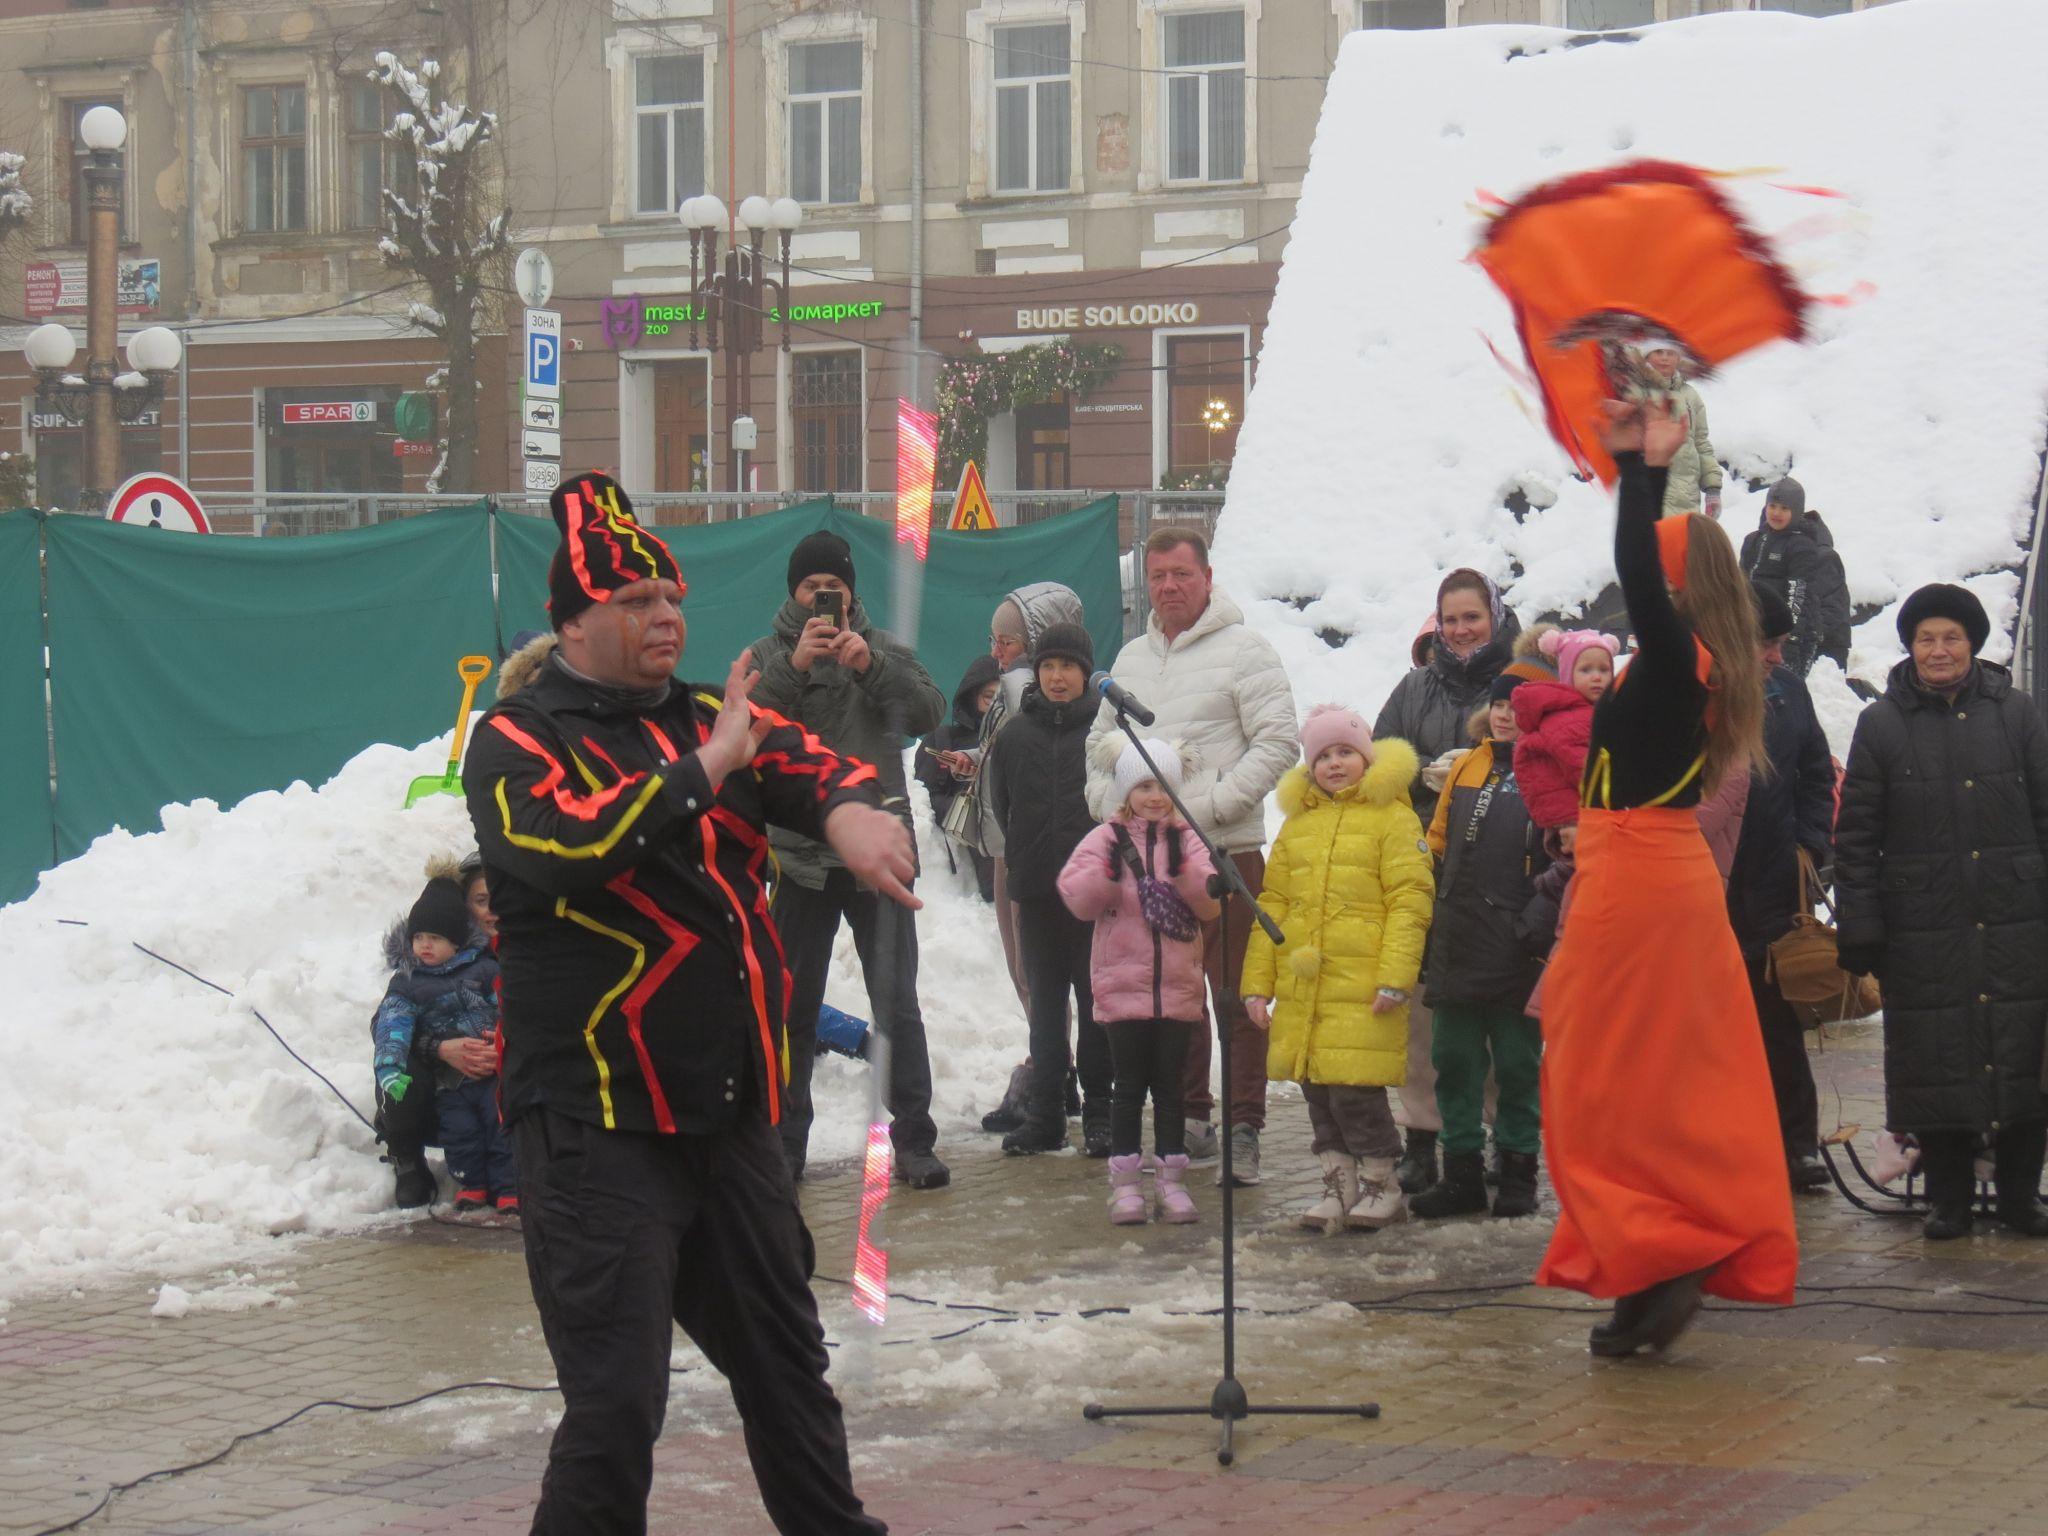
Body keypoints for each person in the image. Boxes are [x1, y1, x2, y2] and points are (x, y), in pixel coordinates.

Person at [467, 473, 903, 1536]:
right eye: (635, 602)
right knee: (618, 1404)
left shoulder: (716, 714)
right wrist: (708, 767)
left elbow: (808, 763)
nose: (666, 618)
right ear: (573, 618)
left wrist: (846, 813)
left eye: (671, 599)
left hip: (728, 1115)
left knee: (787, 1372)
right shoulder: (517, 740)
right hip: (594, 1127)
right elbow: (568, 852)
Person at [1535, 401, 1797, 1359]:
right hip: (1657, 874)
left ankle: (1657, 1253)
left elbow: (1636, 567)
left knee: (1601, 1082)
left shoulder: (1681, 658)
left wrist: (1636, 469)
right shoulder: (1700, 666)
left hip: (1634, 880)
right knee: (1653, 1083)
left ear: (1682, 580)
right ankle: (1652, 1266)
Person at [1835, 583, 2048, 1240]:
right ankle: (1947, 1199)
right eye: (1926, 638)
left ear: (1973, 645)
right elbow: (1857, 836)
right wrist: (1861, 927)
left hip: (2015, 917)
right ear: (1910, 646)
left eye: (1951, 637)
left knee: (2021, 1057)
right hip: (1921, 926)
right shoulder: (1882, 725)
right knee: (1936, 1058)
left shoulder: (2016, 714)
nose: (1939, 649)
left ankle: (2020, 1196)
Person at [1087, 527, 1297, 1184]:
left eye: (1181, 574)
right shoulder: (1128, 661)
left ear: (1207, 577)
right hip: (1153, 866)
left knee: (1235, 995)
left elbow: (1279, 742)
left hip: (1227, 857)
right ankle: (1192, 1118)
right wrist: (1108, 808)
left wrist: (1211, 807)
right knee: (1174, 997)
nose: (1170, 587)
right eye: (1158, 577)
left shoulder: (1246, 652)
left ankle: (1243, 1127)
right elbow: (1098, 747)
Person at [748, 529, 949, 1189]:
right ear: (794, 592)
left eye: (834, 588)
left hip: (879, 854)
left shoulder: (884, 648)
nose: (825, 599)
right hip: (797, 861)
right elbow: (741, 729)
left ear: (853, 591)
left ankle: (915, 1143)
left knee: (897, 1006)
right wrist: (792, 668)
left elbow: (929, 711)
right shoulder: (766, 655)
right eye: (813, 588)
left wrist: (872, 668)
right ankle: (783, 1148)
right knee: (789, 1008)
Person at [1243, 706, 1433, 1233]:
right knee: (1317, 1089)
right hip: (1306, 988)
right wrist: (1257, 984)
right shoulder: (1298, 826)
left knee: (1356, 1089)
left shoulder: (1393, 818)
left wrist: (1395, 976)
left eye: (1345, 752)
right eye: (1323, 755)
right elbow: (1272, 905)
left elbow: (1410, 900)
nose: (1334, 763)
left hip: (1363, 984)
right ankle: (1338, 1181)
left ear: (1367, 758)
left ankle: (1381, 1183)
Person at [1375, 568, 1523, 1195]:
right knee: (1423, 1016)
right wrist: (1420, 790)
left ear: (1493, 616)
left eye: (1472, 617)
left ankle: (1497, 1137)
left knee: (1495, 1009)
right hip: (1427, 870)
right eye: (1451, 619)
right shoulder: (1414, 689)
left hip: (1501, 869)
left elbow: (1550, 759)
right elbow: (1379, 771)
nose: (1461, 630)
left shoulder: (1522, 682)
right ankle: (1422, 1137)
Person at [1058, 737, 1220, 1224]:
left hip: (1176, 986)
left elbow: (1209, 903)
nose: (1155, 795)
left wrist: (1196, 880)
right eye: (1144, 785)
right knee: (1127, 1088)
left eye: (1164, 785)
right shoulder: (1104, 839)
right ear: (1126, 791)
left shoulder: (1186, 839)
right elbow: (1075, 895)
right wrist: (1103, 880)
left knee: (1171, 1087)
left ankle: (1172, 1183)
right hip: (1122, 988)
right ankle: (1125, 1185)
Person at [1414, 678, 1554, 1220]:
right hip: (1459, 934)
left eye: (1515, 707)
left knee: (1518, 1062)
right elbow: (1440, 840)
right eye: (1498, 705)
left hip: (1521, 941)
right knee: (1453, 1059)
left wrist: (1535, 923)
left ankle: (1519, 1170)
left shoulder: (1547, 767)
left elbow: (1563, 852)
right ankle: (1462, 1176)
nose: (1504, 716)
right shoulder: (1468, 766)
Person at [1725, 582, 1838, 1193]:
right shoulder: (1697, 695)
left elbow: (1819, 775)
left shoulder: (1788, 694)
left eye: (1780, 643)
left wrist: (1811, 846)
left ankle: (1796, 1146)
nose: (1775, 654)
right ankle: (1726, 1145)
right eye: (1765, 643)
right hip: (1705, 889)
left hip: (1774, 887)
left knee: (1778, 1026)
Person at [988, 623, 1113, 1156]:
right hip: (1037, 890)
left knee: (1094, 1005)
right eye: (1048, 667)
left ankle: (1102, 1114)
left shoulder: (1104, 735)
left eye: (1068, 667)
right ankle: (1046, 1115)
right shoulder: (1014, 735)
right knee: (1045, 1005)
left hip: (1095, 896)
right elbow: (1002, 804)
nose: (1058, 677)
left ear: (1086, 673)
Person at [968, 582, 1087, 1133]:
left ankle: (1053, 1081)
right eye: (994, 641)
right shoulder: (1020, 696)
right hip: (1021, 852)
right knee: (1035, 975)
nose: (999, 653)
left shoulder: (1030, 693)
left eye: (1009, 641)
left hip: (1037, 862)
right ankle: (1051, 1080)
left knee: (1040, 976)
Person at [371, 860, 506, 1210]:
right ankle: (409, 1159)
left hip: (503, 1073)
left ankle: (513, 1181)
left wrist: (508, 1045)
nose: (492, 912)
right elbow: (384, 1024)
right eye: (480, 901)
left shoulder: (501, 960)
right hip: (447, 1085)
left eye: (500, 899)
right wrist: (439, 1048)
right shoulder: (416, 974)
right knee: (400, 1062)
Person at [1512, 628, 1621, 838]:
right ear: (1568, 674)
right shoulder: (1569, 716)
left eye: (1604, 670)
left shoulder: (1594, 711)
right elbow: (1579, 765)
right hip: (1575, 815)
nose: (1596, 677)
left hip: (1586, 810)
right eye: (1586, 670)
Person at [1739, 477, 1849, 676]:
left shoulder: (1801, 546)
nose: (1776, 513)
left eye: (1784, 508)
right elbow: (1740, 583)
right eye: (1772, 506)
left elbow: (1798, 593)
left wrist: (1790, 637)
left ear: (1796, 511)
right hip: (1755, 629)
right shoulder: (1753, 541)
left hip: (1792, 635)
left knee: (1784, 687)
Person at [915, 655, 1002, 901]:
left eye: (1003, 698)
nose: (996, 705)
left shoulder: (1022, 739)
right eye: (989, 697)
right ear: (973, 698)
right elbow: (923, 799)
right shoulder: (944, 739)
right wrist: (967, 807)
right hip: (974, 868)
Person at [1641, 344, 1722, 519]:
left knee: (1687, 544)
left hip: (1688, 495)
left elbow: (1701, 443)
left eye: (1670, 353)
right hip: (1652, 492)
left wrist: (1712, 488)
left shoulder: (1690, 396)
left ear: (1679, 358)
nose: (1664, 358)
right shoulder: (1640, 393)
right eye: (1658, 352)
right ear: (1646, 356)